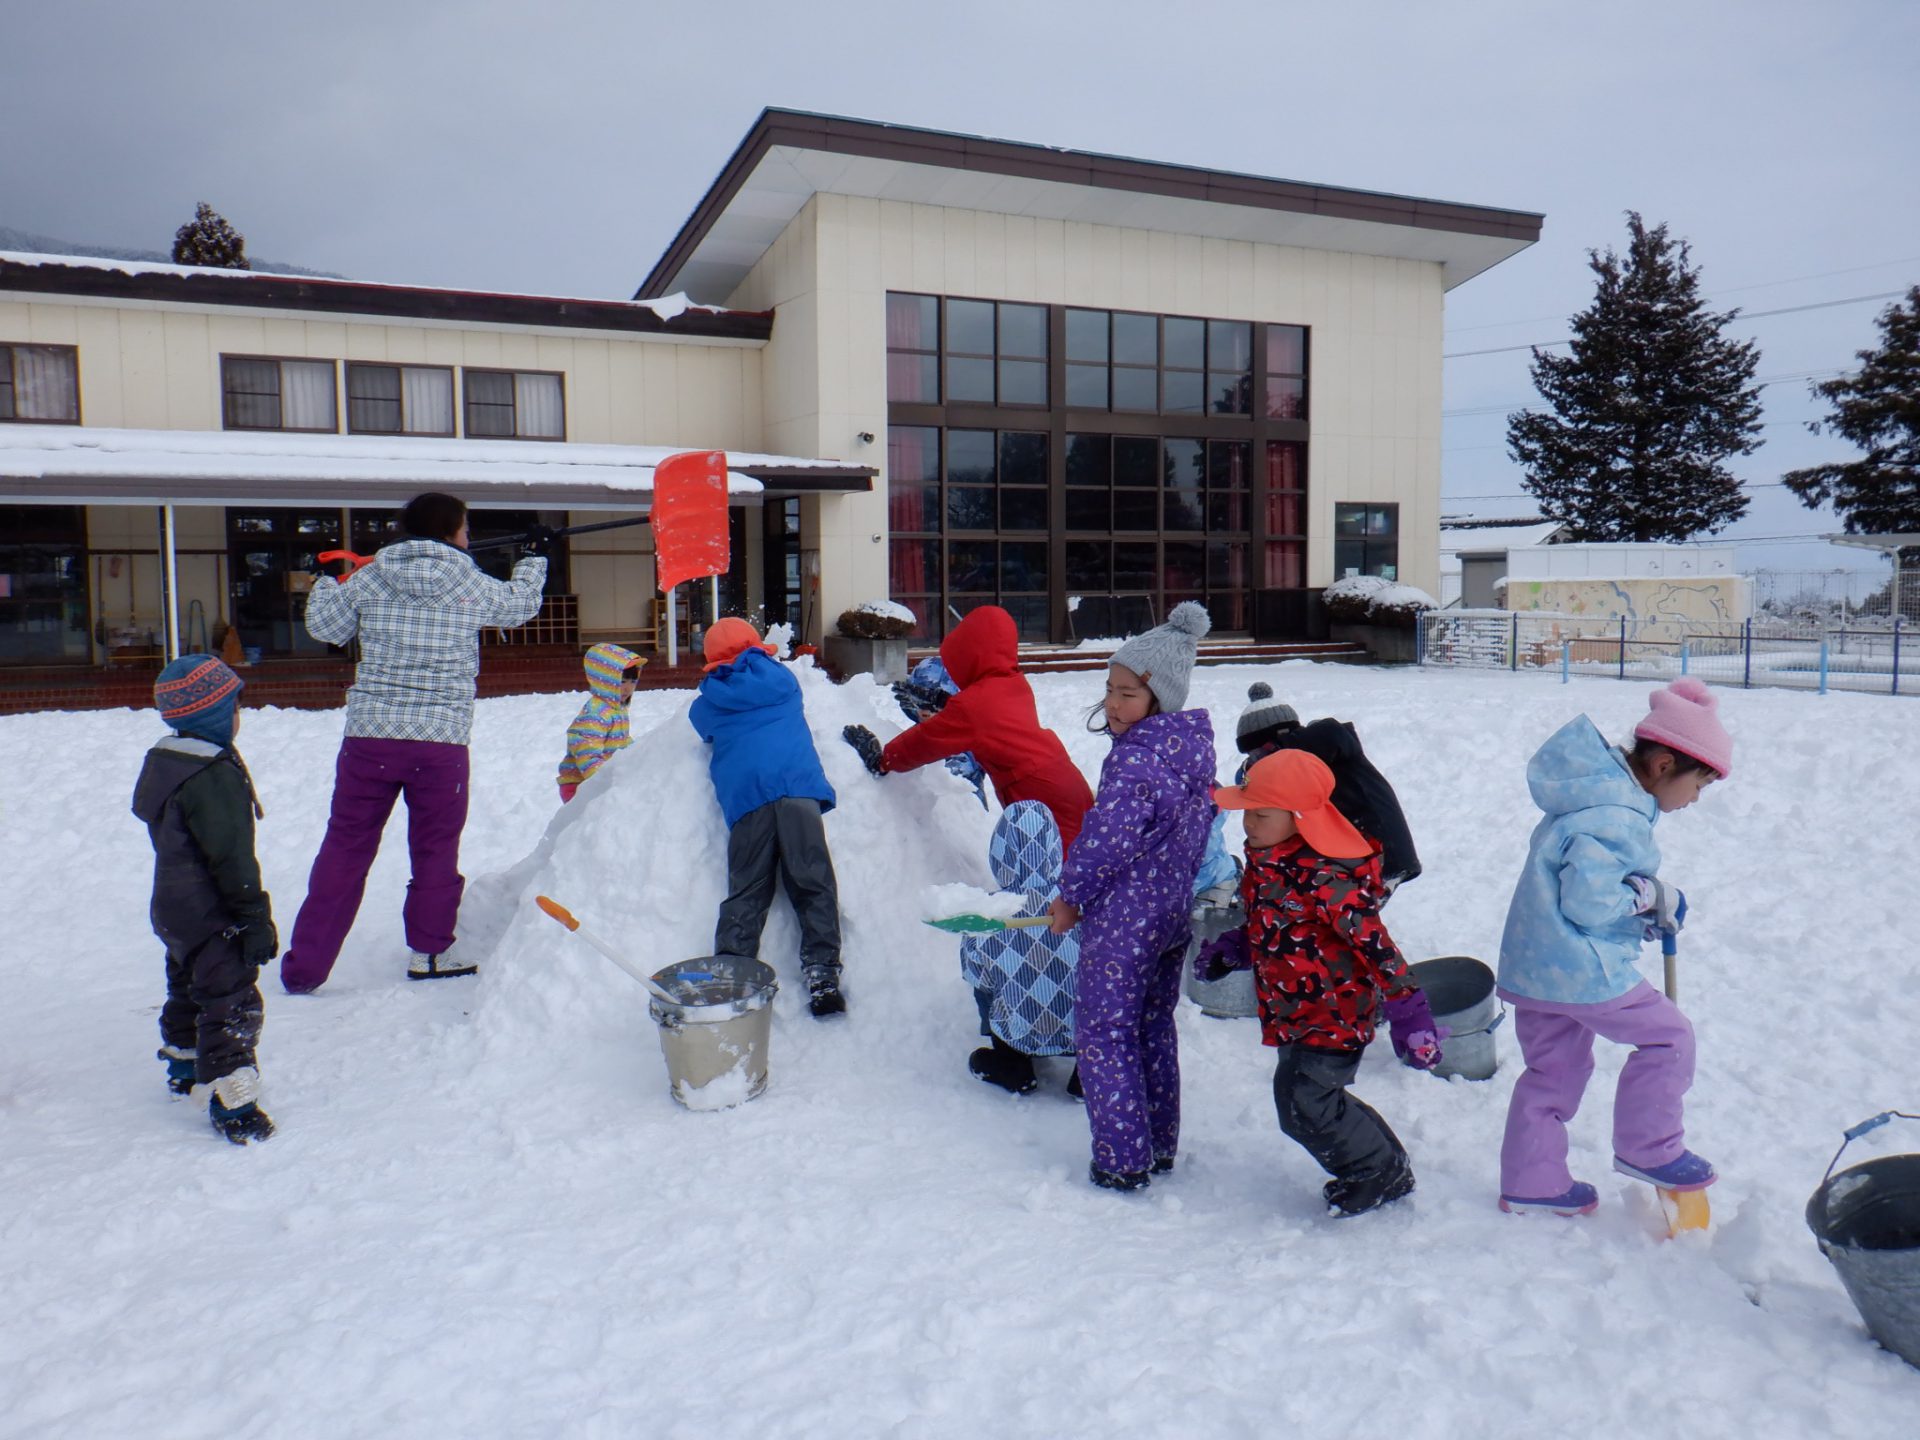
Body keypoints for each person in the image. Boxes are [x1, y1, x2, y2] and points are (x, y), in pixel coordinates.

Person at [279, 493, 548, 991]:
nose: (468, 537)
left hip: (371, 739)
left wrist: (326, 582)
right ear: (450, 531)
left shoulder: (372, 576)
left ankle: (305, 968)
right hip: (439, 743)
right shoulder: (469, 581)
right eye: (465, 528)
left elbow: (326, 627)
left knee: (345, 848)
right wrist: (534, 559)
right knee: (435, 850)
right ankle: (430, 952)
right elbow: (519, 606)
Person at [1496, 677, 1731, 1217]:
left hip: (1535, 967)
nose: (1695, 799)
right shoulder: (1617, 815)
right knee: (1669, 1038)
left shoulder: (1587, 797)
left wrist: (1642, 912)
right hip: (1582, 970)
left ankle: (1533, 1183)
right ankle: (1651, 1149)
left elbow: (1573, 887)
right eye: (1699, 785)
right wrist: (1648, 896)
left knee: (1551, 1076)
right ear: (1665, 764)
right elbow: (1590, 902)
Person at [1204, 750, 1440, 1216]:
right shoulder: (1268, 861)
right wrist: (1235, 947)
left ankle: (1376, 1172)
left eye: (1261, 814)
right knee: (1313, 1099)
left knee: (1302, 1105)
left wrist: (1409, 1010)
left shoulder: (1327, 878)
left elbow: (1376, 945)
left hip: (1334, 1012)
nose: (1248, 823)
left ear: (1299, 819)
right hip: (1294, 1011)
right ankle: (1384, 1164)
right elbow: (1271, 921)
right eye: (1248, 812)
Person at [1047, 602, 1216, 1191]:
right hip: (1169, 914)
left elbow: (1106, 840)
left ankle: (1122, 1159)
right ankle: (1158, 1144)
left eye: (1128, 694)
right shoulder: (1190, 752)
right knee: (1151, 1026)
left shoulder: (1136, 762)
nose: (1114, 705)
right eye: (1109, 690)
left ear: (1159, 699)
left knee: (1103, 1031)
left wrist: (1071, 896)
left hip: (1125, 921)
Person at [132, 655, 277, 1144]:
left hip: (173, 906)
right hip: (211, 908)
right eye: (235, 706)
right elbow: (231, 858)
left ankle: (184, 1065)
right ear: (213, 714)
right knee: (229, 996)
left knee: (188, 983)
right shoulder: (211, 775)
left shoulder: (168, 761)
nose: (239, 716)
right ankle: (233, 1101)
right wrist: (253, 917)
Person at [689, 617, 846, 1018]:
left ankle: (732, 973)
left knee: (748, 889)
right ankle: (823, 973)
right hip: (798, 791)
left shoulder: (708, 704)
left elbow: (703, 729)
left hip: (749, 800)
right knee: (813, 881)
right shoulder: (785, 683)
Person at [842, 604, 1094, 852]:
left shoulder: (972, 707)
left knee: (1060, 866)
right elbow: (990, 716)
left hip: (1039, 794)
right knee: (1083, 856)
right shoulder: (1013, 682)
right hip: (1064, 781)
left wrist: (883, 760)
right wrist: (944, 701)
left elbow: (927, 741)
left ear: (969, 657)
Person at [1233, 682, 1421, 891]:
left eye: (1259, 753)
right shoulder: (1306, 756)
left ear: (1280, 739)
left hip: (1379, 852)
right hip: (1358, 853)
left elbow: (1328, 737)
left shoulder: (1318, 749)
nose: (1259, 761)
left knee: (1348, 905)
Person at [960, 802, 1081, 1096]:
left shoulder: (989, 914)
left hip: (1019, 1029)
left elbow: (978, 976)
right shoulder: (1075, 902)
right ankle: (1088, 1073)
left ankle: (1012, 1063)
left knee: (986, 982)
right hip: (1083, 1029)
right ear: (1053, 847)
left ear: (1001, 851)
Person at [556, 643, 644, 802]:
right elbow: (587, 754)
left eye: (633, 681)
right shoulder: (596, 714)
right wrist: (606, 783)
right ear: (605, 680)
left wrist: (637, 756)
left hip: (598, 781)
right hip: (579, 785)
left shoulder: (617, 709)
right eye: (622, 681)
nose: (628, 688)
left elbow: (621, 742)